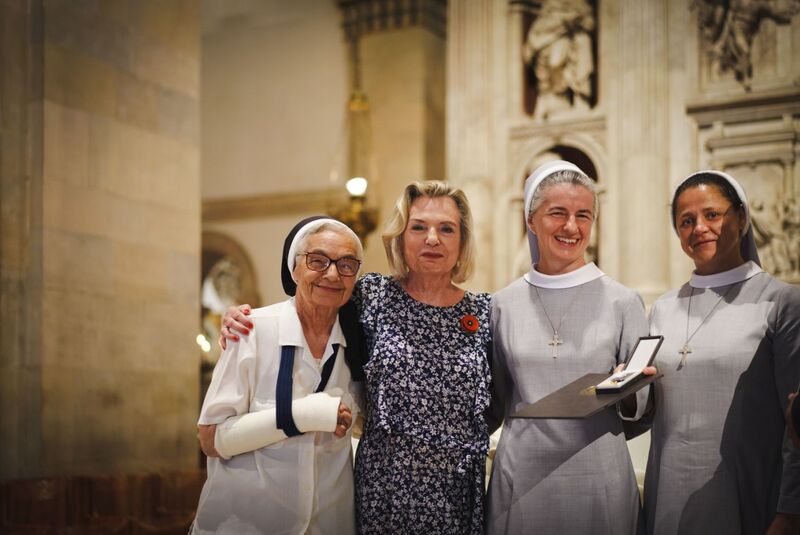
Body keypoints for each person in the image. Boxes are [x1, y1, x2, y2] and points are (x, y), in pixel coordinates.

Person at [221, 181, 492, 534]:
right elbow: (307, 304)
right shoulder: (369, 296)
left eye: (446, 228)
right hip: (385, 492)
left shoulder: (485, 312)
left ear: (462, 241)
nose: (432, 239)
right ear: (400, 236)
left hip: (458, 492)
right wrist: (240, 317)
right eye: (419, 226)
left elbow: (497, 400)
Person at [486, 160, 651, 534]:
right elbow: (495, 400)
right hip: (522, 476)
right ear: (530, 220)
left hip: (598, 473)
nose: (571, 227)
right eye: (557, 213)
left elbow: (641, 406)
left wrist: (628, 388)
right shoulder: (502, 304)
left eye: (583, 215)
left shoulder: (622, 301)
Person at [644, 170, 800, 534]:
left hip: (747, 494)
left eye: (711, 215)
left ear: (742, 218)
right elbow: (648, 407)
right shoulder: (664, 308)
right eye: (686, 221)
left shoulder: (782, 301)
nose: (699, 227)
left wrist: (792, 511)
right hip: (667, 493)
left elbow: (799, 423)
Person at [192, 216, 365, 534]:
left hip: (329, 522)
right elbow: (211, 438)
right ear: (294, 268)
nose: (332, 273)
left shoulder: (359, 343)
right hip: (247, 523)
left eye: (346, 265)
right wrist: (303, 415)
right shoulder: (251, 330)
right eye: (317, 260)